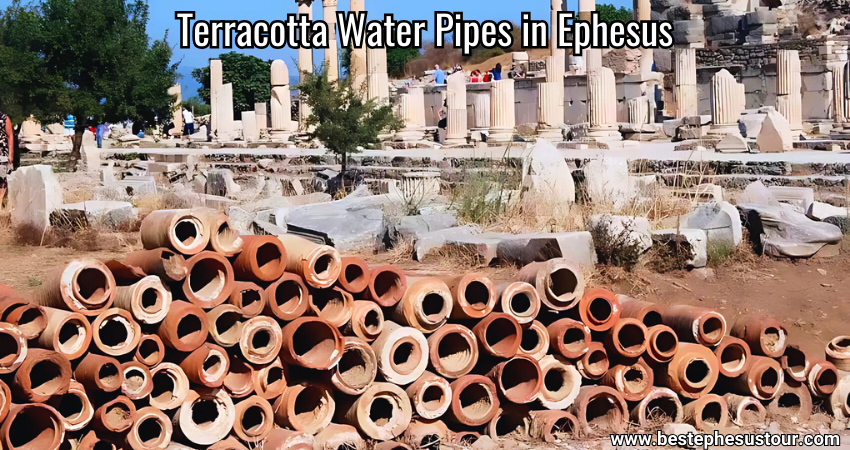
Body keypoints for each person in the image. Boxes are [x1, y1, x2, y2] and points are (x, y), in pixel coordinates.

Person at [0, 110, 14, 204]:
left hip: (2, 153)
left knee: (1, 178)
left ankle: (0, 202)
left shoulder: (4, 118)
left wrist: (10, 154)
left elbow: (10, 136)